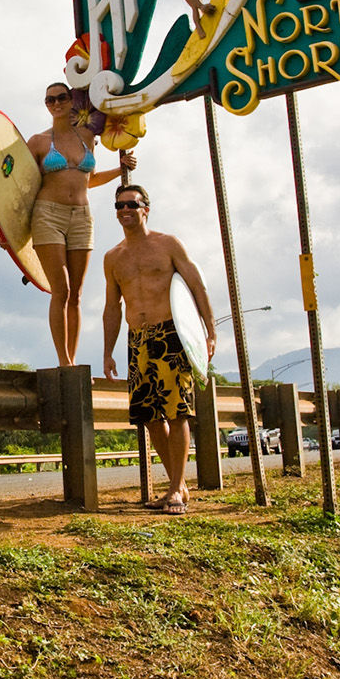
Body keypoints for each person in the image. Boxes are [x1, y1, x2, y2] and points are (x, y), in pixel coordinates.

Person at [101, 184, 215, 515]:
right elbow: (112, 308)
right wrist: (108, 351)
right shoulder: (113, 257)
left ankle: (176, 491)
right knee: (150, 418)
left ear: (145, 209)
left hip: (170, 334)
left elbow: (196, 285)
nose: (124, 210)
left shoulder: (167, 244)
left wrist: (209, 331)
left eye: (131, 205)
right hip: (137, 339)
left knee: (178, 412)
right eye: (119, 205)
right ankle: (177, 485)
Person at [26, 83, 132, 368]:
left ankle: (72, 359)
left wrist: (121, 169)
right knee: (59, 289)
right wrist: (9, 233)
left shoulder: (87, 136)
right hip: (48, 214)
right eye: (50, 99)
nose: (56, 103)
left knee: (77, 293)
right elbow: (21, 188)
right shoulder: (37, 142)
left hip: (82, 217)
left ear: (72, 100)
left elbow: (91, 178)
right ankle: (63, 361)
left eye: (62, 97)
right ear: (46, 104)